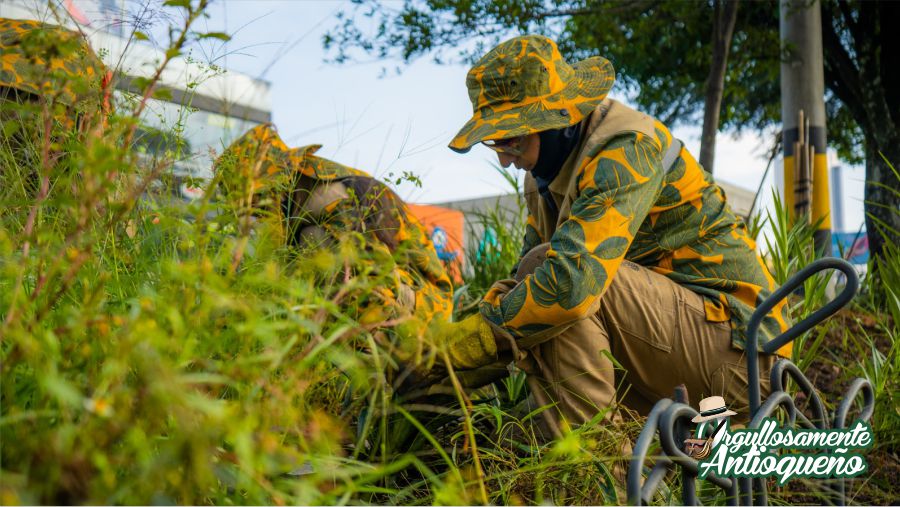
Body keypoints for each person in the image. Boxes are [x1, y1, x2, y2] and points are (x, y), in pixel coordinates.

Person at [440, 35, 791, 437]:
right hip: (669, 349)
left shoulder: (626, 149)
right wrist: (444, 354)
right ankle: (601, 452)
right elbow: (527, 287)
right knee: (508, 434)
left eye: (512, 139)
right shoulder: (544, 178)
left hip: (743, 360)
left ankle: (601, 473)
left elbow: (568, 285)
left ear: (558, 118)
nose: (504, 157)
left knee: (555, 275)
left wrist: (473, 344)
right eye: (494, 141)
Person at [214, 124, 455, 350]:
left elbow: (376, 282)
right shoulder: (297, 201)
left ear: (274, 184)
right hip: (391, 295)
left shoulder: (331, 196)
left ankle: (376, 366)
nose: (257, 213)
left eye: (257, 202)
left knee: (313, 241)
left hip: (425, 305)